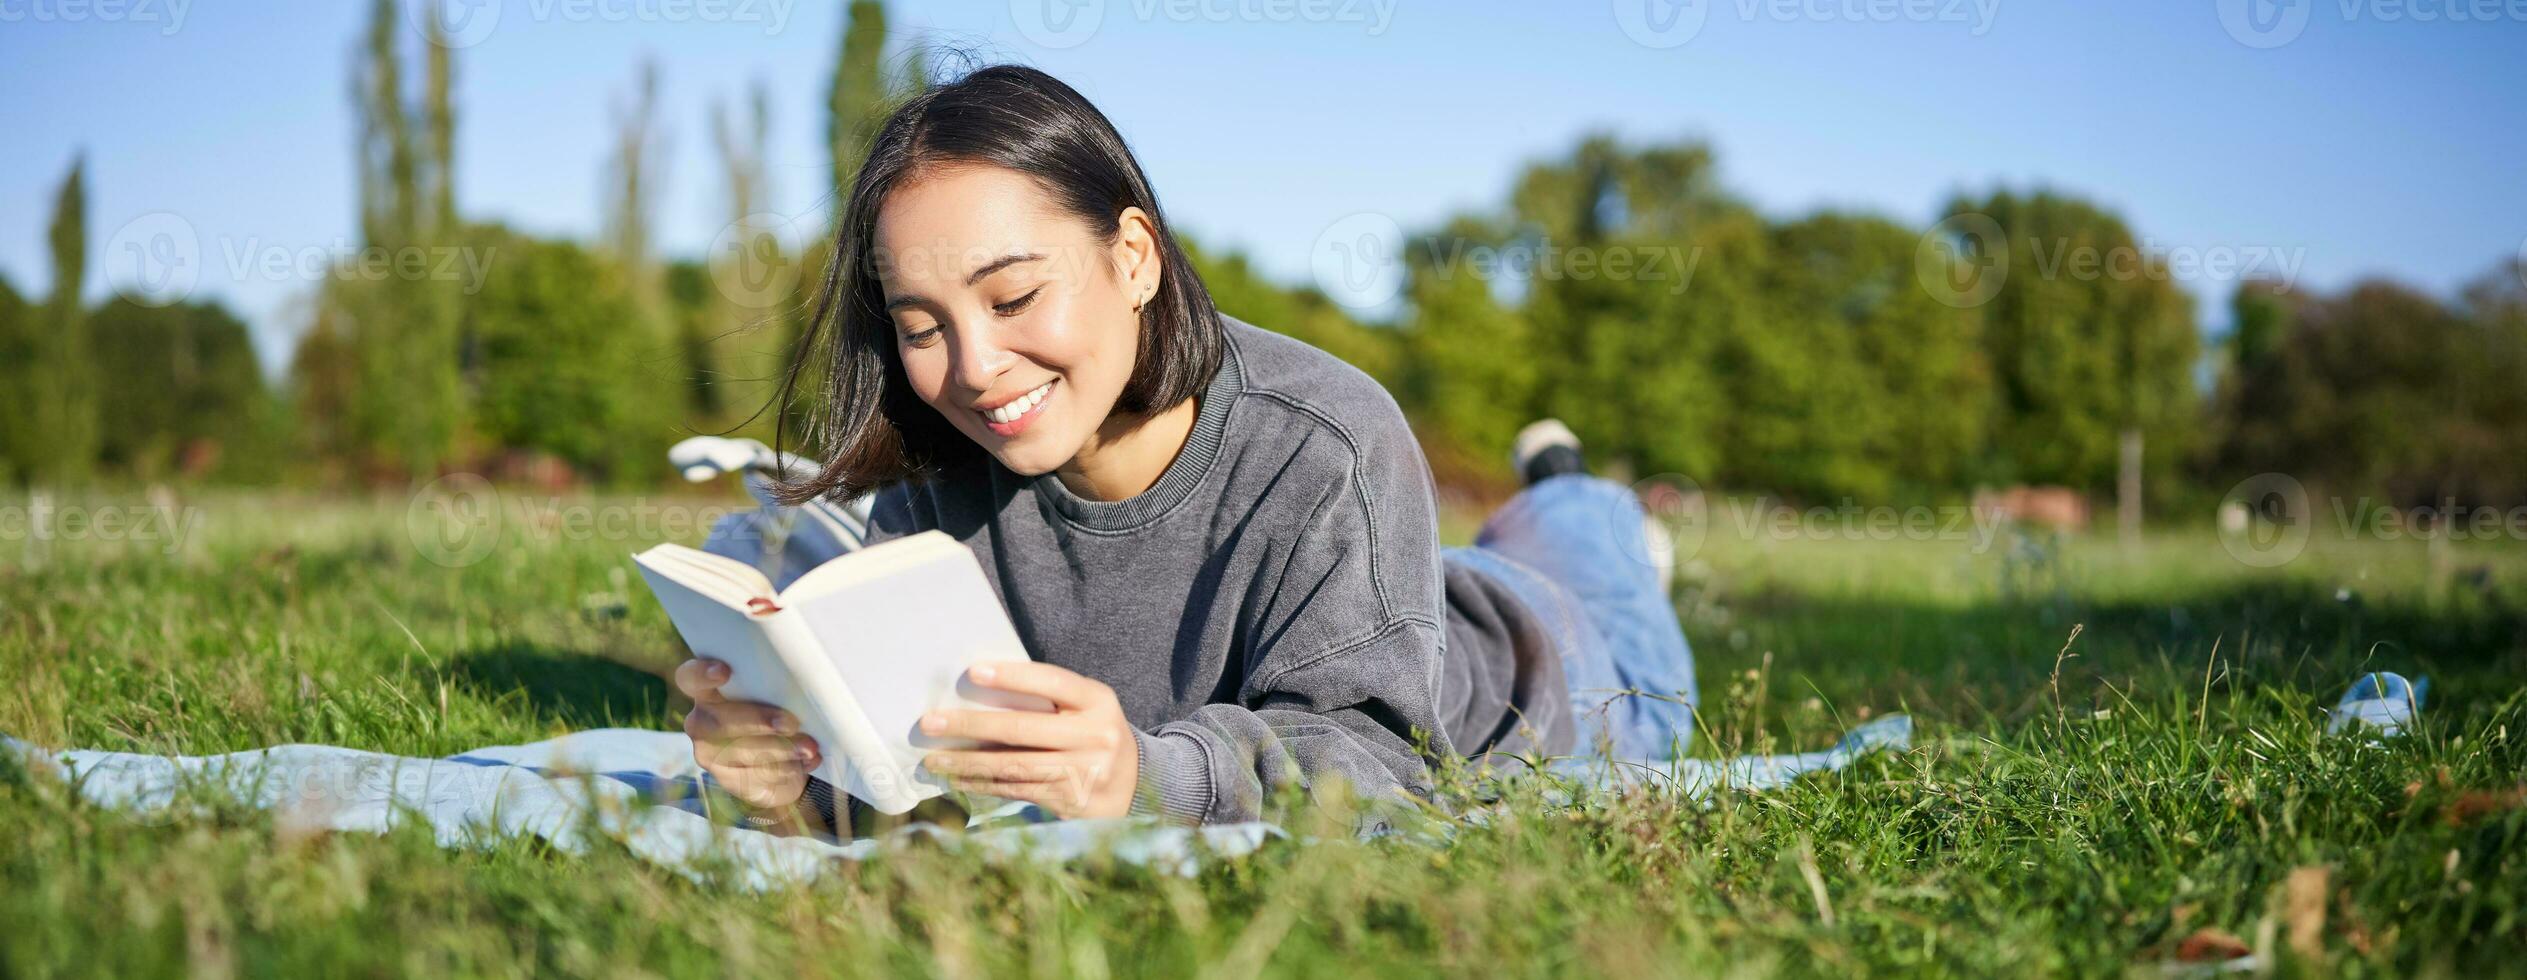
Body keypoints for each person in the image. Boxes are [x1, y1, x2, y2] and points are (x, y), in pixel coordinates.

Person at [672, 64, 1697, 835]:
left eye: (1015, 294)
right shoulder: (933, 467)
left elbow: (1379, 761)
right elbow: (925, 773)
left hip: (1543, 663)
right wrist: (791, 770)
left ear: (1132, 257)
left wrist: (1144, 777)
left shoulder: (1329, 439)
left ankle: (1579, 497)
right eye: (922, 323)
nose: (974, 366)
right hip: (1387, 591)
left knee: (1584, 556)